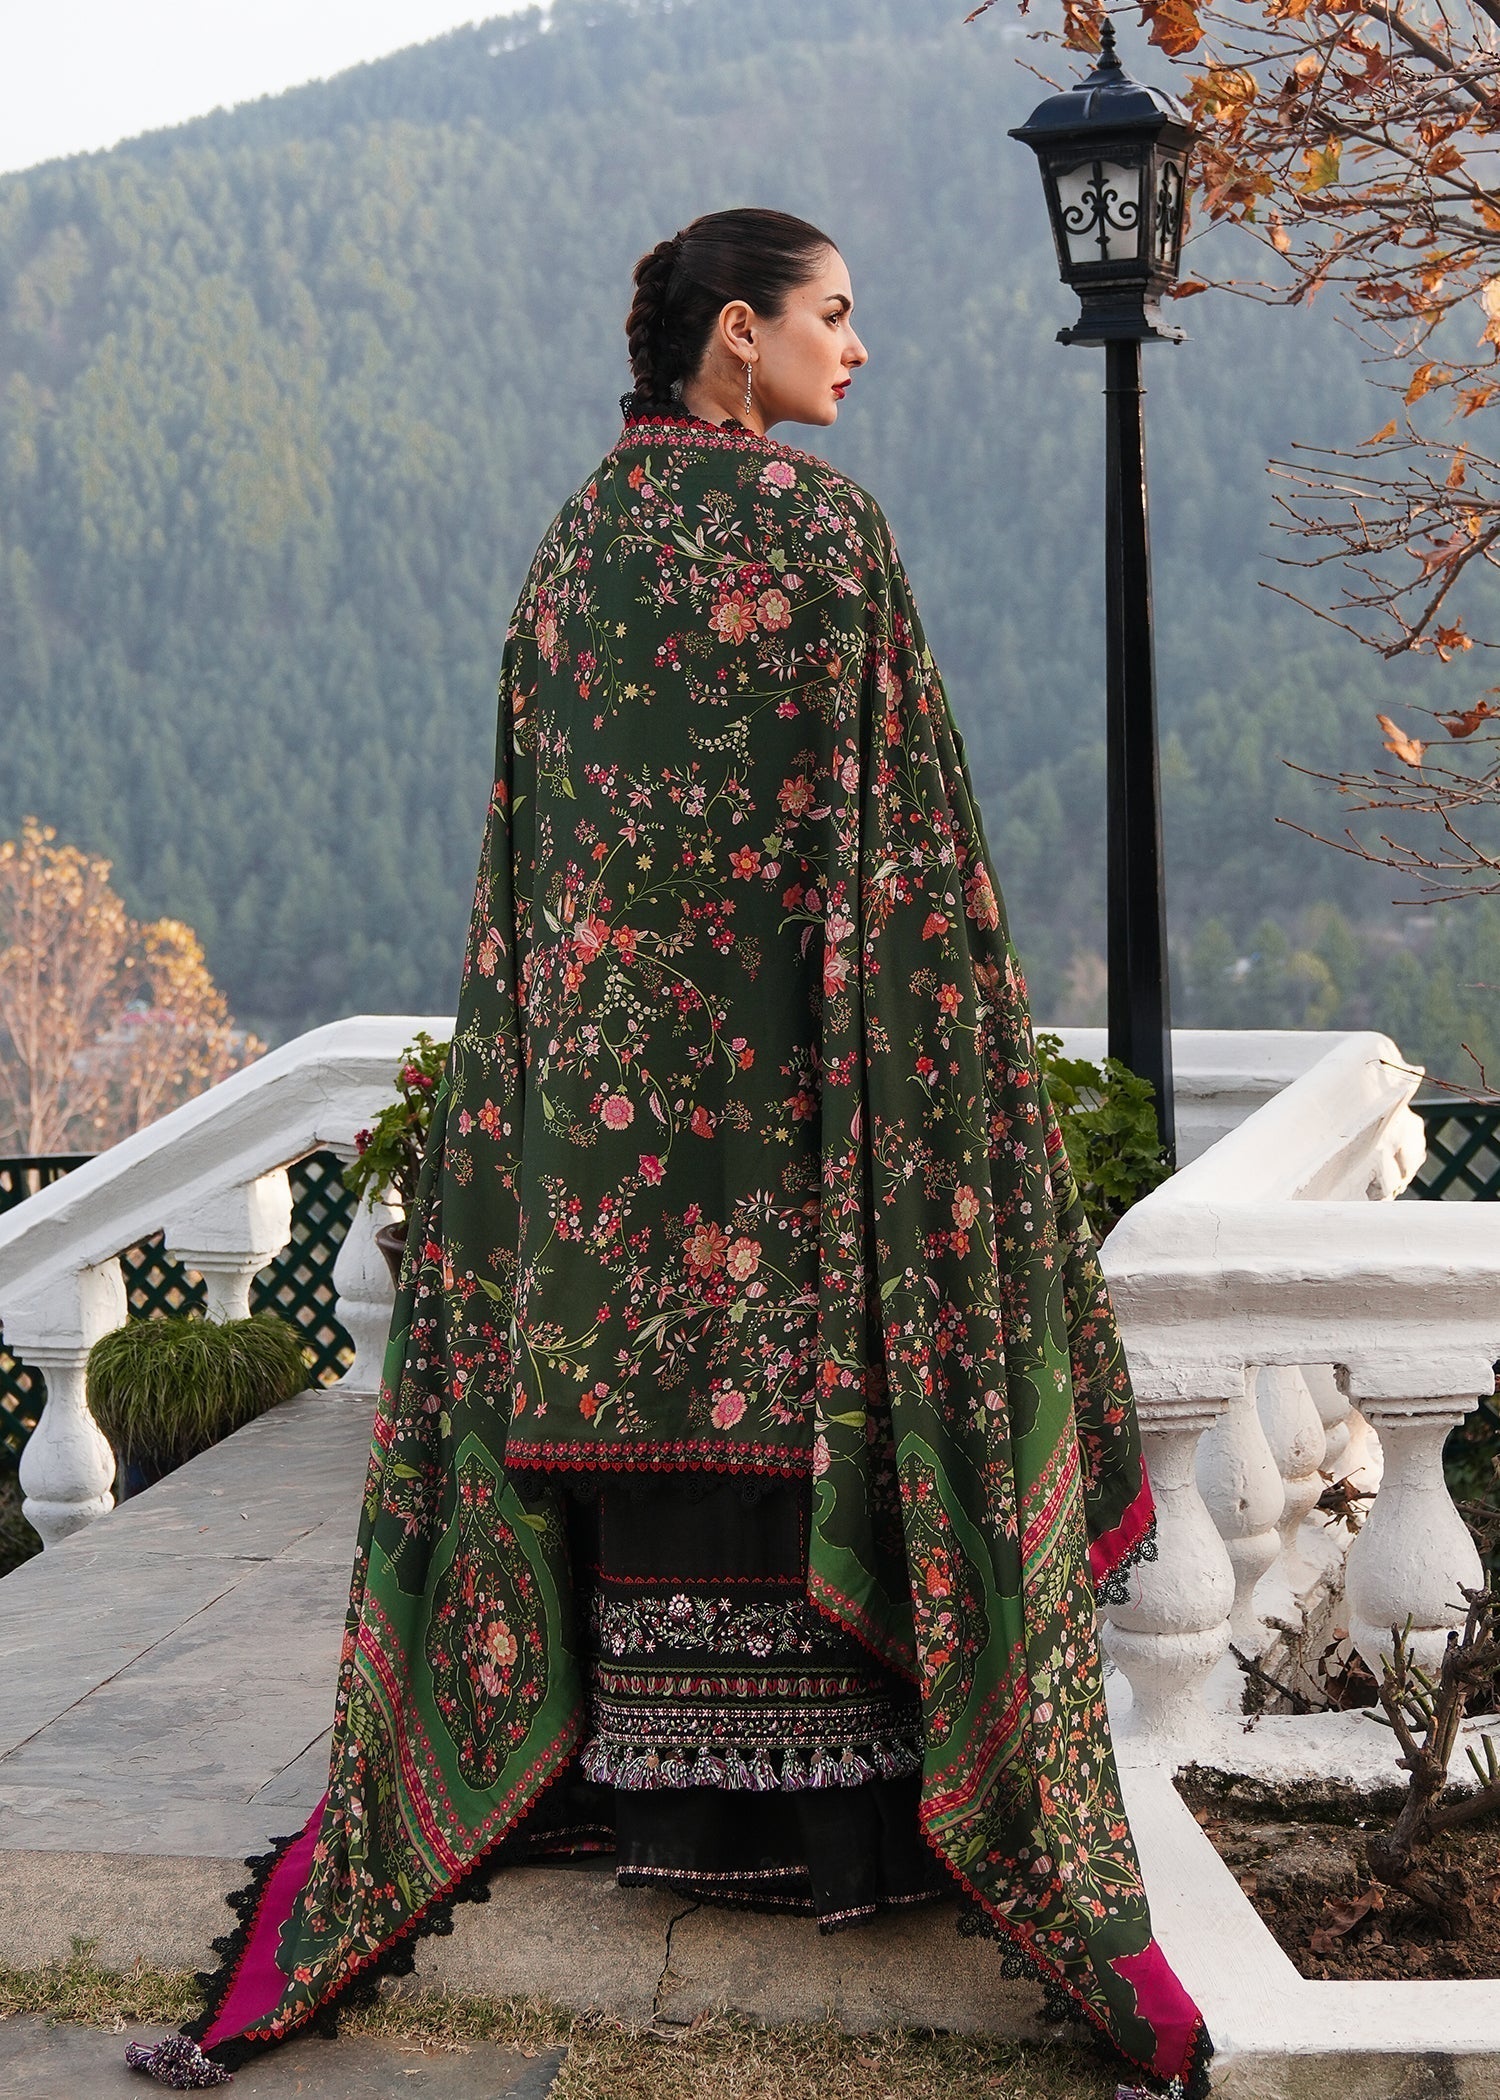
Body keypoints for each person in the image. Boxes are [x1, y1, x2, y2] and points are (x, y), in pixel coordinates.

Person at [127, 207, 1210, 2098]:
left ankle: (633, 1789)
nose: (856, 349)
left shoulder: (573, 548)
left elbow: (535, 885)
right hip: (800, 1152)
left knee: (643, 1439)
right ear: (736, 336)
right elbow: (911, 866)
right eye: (833, 314)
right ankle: (858, 1831)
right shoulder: (828, 536)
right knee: (807, 1409)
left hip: (609, 1193)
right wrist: (939, 1093)